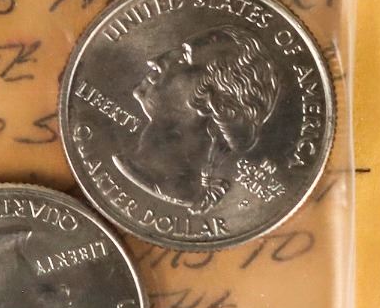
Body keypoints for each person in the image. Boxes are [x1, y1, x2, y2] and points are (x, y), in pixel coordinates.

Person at [119, 24, 281, 212]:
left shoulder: (162, 185)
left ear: (210, 100)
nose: (153, 61)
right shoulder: (131, 165)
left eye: (184, 58)